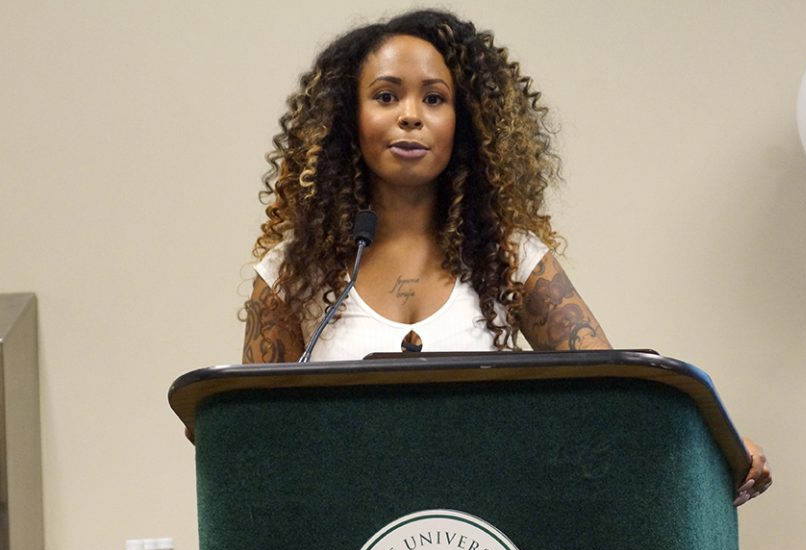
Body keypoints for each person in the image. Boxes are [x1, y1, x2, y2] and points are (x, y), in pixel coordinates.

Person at [240, 9, 771, 505]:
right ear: (348, 120)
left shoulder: (510, 256)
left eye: (433, 99)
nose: (410, 116)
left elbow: (614, 391)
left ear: (463, 122)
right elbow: (247, 439)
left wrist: (715, 443)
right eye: (385, 96)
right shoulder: (291, 274)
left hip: (490, 519)